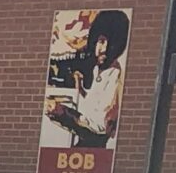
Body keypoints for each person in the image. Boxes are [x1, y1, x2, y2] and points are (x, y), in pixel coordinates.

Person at [47, 9, 126, 147]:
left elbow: (100, 129)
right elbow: (93, 107)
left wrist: (62, 113)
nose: (104, 49)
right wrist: (81, 89)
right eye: (101, 41)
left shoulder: (116, 77)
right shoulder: (99, 70)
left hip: (96, 152)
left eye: (111, 43)